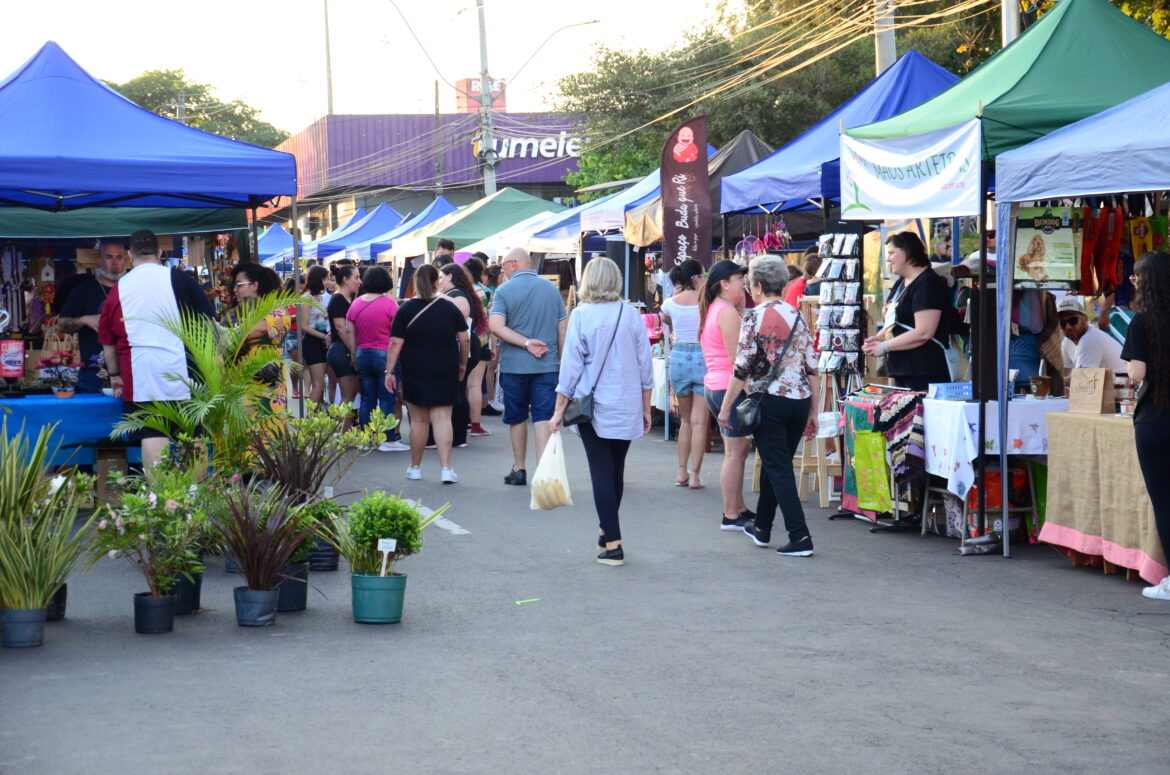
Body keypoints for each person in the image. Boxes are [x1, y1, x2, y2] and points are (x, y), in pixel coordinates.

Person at [549, 257, 653, 566]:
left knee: (601, 473)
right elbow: (645, 364)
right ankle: (606, 529)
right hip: (627, 402)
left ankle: (613, 544)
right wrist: (646, 406)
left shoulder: (581, 315)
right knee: (616, 470)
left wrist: (558, 409)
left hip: (592, 407)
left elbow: (570, 368)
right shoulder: (631, 314)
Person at [722, 256, 820, 557]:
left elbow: (742, 367)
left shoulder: (754, 316)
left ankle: (800, 536)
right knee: (775, 463)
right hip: (798, 400)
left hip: (770, 401)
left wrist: (725, 407)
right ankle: (762, 527)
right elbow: (812, 366)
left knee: (778, 468)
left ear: (759, 285)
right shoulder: (797, 314)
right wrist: (813, 410)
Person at [98, 230, 214, 468]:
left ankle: (159, 491)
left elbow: (108, 342)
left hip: (141, 374)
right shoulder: (181, 280)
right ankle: (196, 490)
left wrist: (115, 376)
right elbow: (210, 324)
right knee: (193, 433)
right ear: (160, 253)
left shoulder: (119, 288)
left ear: (130, 255)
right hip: (187, 371)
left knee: (152, 433)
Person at [489, 247, 568, 486]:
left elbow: (496, 326)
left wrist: (525, 343)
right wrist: (561, 361)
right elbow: (562, 328)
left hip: (514, 366)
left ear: (513, 263)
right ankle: (544, 474)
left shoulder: (504, 291)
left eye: (503, 266)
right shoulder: (550, 289)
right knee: (543, 417)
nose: (503, 271)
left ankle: (519, 468)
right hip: (547, 366)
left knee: (517, 417)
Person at [386, 264, 469, 483]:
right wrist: (462, 363)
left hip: (415, 368)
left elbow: (395, 342)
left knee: (419, 421)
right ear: (435, 282)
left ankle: (415, 467)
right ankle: (446, 469)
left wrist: (389, 371)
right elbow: (465, 338)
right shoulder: (450, 307)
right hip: (446, 366)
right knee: (442, 419)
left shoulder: (405, 309)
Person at [1122, 252, 1170, 601]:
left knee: (1165, 503)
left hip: (1155, 419)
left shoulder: (1141, 322)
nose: (1132, 281)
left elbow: (1137, 373)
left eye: (1136, 277)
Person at [700, 258, 754, 531]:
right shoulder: (725, 312)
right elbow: (737, 360)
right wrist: (749, 390)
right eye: (739, 279)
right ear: (724, 283)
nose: (744, 283)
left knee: (738, 451)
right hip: (727, 387)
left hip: (718, 384)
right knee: (734, 453)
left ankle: (738, 507)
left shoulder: (717, 309)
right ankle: (730, 514)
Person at [862, 232, 951, 391]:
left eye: (891, 253)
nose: (888, 259)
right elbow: (895, 321)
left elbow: (924, 332)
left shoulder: (927, 284)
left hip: (925, 370)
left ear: (908, 252)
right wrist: (879, 337)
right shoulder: (901, 283)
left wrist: (884, 346)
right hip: (903, 369)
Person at [346, 266, 407, 452]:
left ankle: (366, 438)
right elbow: (397, 334)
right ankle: (388, 440)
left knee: (367, 398)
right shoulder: (390, 304)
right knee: (387, 398)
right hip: (384, 355)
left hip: (362, 353)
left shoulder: (355, 304)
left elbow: (350, 331)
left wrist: (354, 353)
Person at [661, 259, 708, 489]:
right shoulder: (707, 301)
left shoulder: (670, 303)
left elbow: (665, 319)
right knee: (700, 423)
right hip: (702, 356)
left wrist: (676, 293)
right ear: (697, 277)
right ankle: (695, 475)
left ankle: (681, 472)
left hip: (678, 356)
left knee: (686, 420)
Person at [58, 238, 127, 392]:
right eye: (109, 257)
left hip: (130, 369)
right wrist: (84, 320)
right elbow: (60, 325)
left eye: (119, 257)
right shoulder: (83, 290)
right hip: (93, 372)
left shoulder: (134, 289)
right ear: (99, 261)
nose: (114, 262)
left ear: (125, 260)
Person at [228, 263, 290, 411]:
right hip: (238, 387)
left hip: (265, 388)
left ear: (255, 285)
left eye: (239, 285)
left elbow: (251, 331)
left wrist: (224, 335)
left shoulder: (277, 310)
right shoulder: (240, 312)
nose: (235, 290)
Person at [439, 263, 490, 441]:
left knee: (458, 391)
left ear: (450, 276)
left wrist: (437, 296)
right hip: (468, 346)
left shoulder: (457, 294)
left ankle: (458, 435)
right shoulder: (462, 293)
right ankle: (459, 435)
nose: (439, 282)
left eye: (441, 277)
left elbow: (461, 316)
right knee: (460, 390)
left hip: (464, 346)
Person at [461, 256, 496, 429]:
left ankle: (462, 421)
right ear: (481, 273)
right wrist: (493, 345)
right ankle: (475, 424)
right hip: (481, 339)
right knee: (475, 383)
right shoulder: (487, 292)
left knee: (462, 383)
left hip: (462, 339)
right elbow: (491, 319)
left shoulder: (461, 290)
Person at [327, 265, 362, 425]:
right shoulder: (338, 299)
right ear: (345, 279)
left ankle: (345, 431)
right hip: (342, 350)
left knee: (350, 395)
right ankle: (343, 433)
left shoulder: (349, 299)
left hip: (344, 349)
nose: (359, 281)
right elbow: (341, 328)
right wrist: (354, 352)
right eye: (356, 277)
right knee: (348, 396)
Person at [1058, 295, 1125, 378]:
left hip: (1121, 384)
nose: (1068, 327)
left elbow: (1082, 379)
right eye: (1062, 323)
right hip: (1107, 383)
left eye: (1073, 321)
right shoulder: (1067, 341)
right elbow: (1065, 373)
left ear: (1085, 319)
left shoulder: (1090, 339)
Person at [297, 265, 330, 407]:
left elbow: (323, 318)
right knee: (318, 385)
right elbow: (304, 326)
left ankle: (318, 416)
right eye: (327, 279)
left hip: (322, 340)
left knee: (321, 384)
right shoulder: (307, 298)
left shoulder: (321, 298)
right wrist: (324, 337)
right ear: (320, 279)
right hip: (312, 342)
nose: (329, 282)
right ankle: (309, 417)